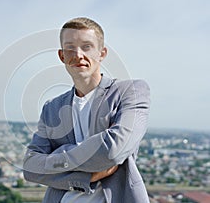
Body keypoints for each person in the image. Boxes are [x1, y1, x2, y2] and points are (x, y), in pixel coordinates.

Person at [23, 17, 151, 203]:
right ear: (62, 56)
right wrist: (86, 176)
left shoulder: (130, 92)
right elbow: (30, 167)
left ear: (102, 53)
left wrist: (56, 156)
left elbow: (112, 150)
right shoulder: (52, 108)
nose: (78, 54)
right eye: (70, 48)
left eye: (87, 46)